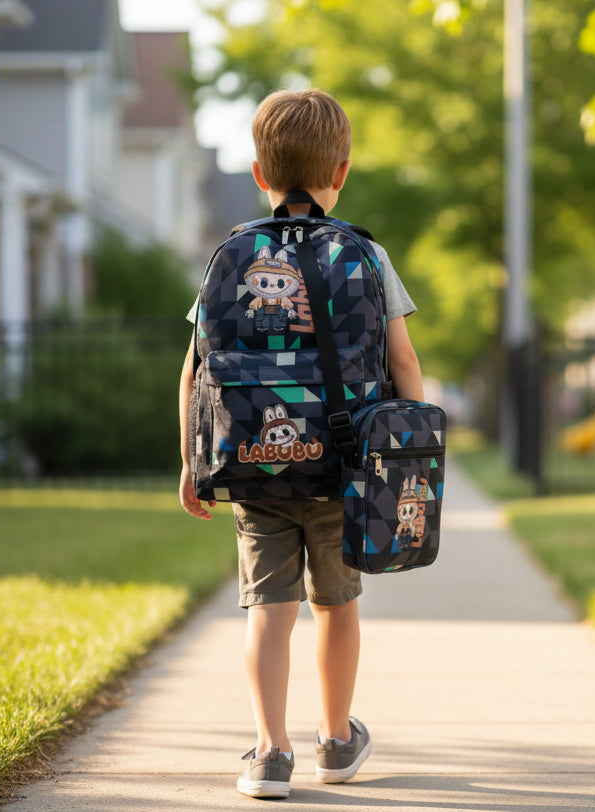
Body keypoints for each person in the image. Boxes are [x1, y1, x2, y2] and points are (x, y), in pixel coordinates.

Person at [177, 88, 425, 799]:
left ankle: (268, 752)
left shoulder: (230, 255)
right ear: (341, 171)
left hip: (253, 469)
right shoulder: (367, 256)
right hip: (343, 469)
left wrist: (193, 461)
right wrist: (407, 455)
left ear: (259, 172)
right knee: (336, 606)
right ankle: (339, 739)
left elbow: (196, 369)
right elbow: (403, 363)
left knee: (267, 611)